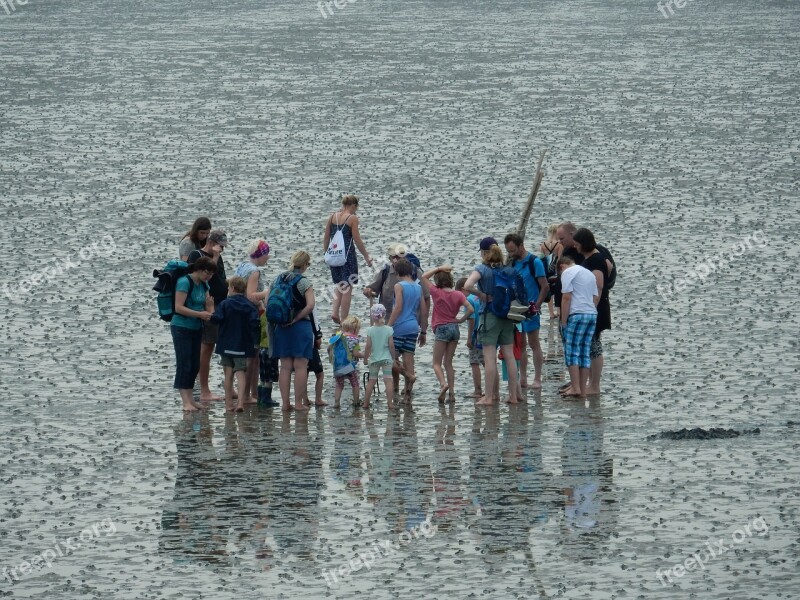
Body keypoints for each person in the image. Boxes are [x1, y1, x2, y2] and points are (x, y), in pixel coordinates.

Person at [363, 243, 431, 393]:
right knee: (394, 356)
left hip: (403, 322)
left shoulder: (415, 273)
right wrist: (368, 291)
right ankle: (395, 387)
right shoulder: (386, 271)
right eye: (393, 257)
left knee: (396, 357)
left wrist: (424, 327)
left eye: (399, 256)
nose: (396, 259)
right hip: (387, 319)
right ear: (390, 258)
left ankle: (408, 388)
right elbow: (372, 288)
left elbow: (426, 299)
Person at [463, 238, 521, 405]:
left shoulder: (482, 269)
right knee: (509, 356)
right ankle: (513, 396)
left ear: (484, 253)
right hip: (507, 316)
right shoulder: (506, 269)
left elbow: (467, 285)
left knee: (489, 358)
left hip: (489, 315)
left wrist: (482, 296)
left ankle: (488, 397)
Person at [270, 251, 316, 412]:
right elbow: (310, 305)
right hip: (300, 326)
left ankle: (285, 404)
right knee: (301, 366)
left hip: (281, 327)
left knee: (285, 366)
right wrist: (296, 318)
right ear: (304, 265)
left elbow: (269, 299)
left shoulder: (278, 278)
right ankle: (298, 403)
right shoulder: (304, 282)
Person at [420, 265, 473, 403]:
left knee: (436, 363)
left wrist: (438, 268)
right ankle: (452, 394)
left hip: (441, 328)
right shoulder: (458, 294)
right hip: (454, 329)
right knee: (448, 363)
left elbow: (423, 277)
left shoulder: (436, 292)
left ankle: (443, 384)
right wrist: (460, 319)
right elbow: (470, 309)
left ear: (438, 280)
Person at [187, 229, 229, 402]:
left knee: (223, 346)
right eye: (220, 246)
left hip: (221, 304)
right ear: (211, 243)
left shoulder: (219, 257)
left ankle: (228, 387)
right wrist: (216, 258)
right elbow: (205, 279)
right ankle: (204, 390)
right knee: (207, 347)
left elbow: (221, 279)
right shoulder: (197, 255)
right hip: (208, 306)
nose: (222, 250)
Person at [171, 256, 216, 412]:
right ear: (198, 269)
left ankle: (192, 399)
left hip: (196, 327)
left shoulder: (204, 284)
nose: (208, 277)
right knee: (185, 363)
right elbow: (178, 307)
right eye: (207, 273)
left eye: (211, 274)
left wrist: (210, 312)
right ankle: (186, 402)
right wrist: (200, 314)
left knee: (195, 365)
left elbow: (208, 303)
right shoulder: (184, 282)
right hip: (181, 326)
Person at [504, 233, 549, 390]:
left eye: (512, 250)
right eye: (508, 251)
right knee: (520, 343)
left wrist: (536, 305)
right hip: (516, 308)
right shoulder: (512, 263)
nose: (510, 254)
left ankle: (537, 379)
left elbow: (545, 286)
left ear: (521, 245)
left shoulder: (534, 262)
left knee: (534, 343)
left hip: (531, 308)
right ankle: (522, 378)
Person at [210, 276, 260, 412]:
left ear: (231, 288)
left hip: (225, 344)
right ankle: (241, 403)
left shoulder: (225, 304)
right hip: (242, 345)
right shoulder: (250, 305)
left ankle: (228, 405)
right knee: (240, 372)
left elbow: (216, 319)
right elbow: (255, 324)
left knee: (228, 374)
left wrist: (210, 309)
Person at [322, 195, 373, 324]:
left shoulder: (333, 216)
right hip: (347, 256)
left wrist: (326, 253)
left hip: (334, 255)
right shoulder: (352, 218)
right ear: (353, 206)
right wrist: (366, 256)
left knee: (339, 284)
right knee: (348, 287)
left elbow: (326, 237)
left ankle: (334, 312)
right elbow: (357, 239)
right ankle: (344, 319)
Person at [573, 228, 610, 395]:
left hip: (595, 307)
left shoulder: (596, 259)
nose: (575, 246)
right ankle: (589, 383)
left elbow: (599, 286)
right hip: (591, 307)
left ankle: (594, 385)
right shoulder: (591, 257)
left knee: (594, 345)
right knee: (592, 345)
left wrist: (592, 308)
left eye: (577, 243)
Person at [235, 239, 271, 405]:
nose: (268, 257)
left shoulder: (243, 266)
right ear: (260, 254)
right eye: (266, 253)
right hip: (250, 315)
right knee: (253, 357)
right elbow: (250, 295)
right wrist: (267, 293)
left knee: (248, 355)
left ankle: (250, 392)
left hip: (239, 313)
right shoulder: (255, 271)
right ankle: (249, 394)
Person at [386, 258, 428, 402]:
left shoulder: (399, 286)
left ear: (398, 272)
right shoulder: (418, 287)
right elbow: (423, 311)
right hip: (413, 327)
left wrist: (388, 326)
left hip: (399, 326)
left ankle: (407, 376)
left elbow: (398, 307)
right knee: (409, 360)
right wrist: (423, 331)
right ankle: (407, 396)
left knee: (388, 358)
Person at [557, 256, 598, 398]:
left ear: (562, 266)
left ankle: (575, 387)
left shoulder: (568, 272)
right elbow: (595, 297)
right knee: (584, 351)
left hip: (577, 314)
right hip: (591, 314)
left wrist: (563, 321)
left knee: (571, 351)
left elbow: (566, 297)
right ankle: (581, 389)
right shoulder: (589, 273)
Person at [363, 304, 397, 410]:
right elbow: (391, 345)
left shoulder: (370, 330)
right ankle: (390, 404)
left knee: (371, 381)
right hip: (386, 359)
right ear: (384, 315)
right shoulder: (389, 330)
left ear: (372, 316)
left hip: (374, 360)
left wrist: (365, 358)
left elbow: (368, 346)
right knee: (388, 380)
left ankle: (366, 403)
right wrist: (394, 357)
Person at [456, 277, 484, 399]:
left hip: (476, 334)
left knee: (474, 362)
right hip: (484, 332)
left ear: (463, 289)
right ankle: (493, 391)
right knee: (487, 362)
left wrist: (469, 338)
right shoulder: (478, 297)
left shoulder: (468, 300)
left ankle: (478, 390)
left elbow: (471, 319)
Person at [331, 315, 365, 408]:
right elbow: (356, 354)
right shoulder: (355, 339)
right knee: (355, 384)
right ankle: (356, 402)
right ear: (355, 329)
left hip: (338, 366)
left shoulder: (338, 337)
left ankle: (336, 403)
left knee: (339, 385)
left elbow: (329, 349)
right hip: (349, 367)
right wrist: (365, 355)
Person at [302, 307, 327, 407]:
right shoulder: (310, 304)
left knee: (303, 372)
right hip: (310, 343)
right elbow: (314, 321)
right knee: (320, 373)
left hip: (299, 340)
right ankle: (318, 399)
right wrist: (318, 336)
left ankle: (304, 399)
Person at [539, 224, 561, 319]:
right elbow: (560, 259)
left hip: (546, 270)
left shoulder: (543, 245)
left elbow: (541, 258)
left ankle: (551, 313)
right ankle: (559, 311)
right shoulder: (559, 245)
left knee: (549, 290)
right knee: (558, 289)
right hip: (555, 269)